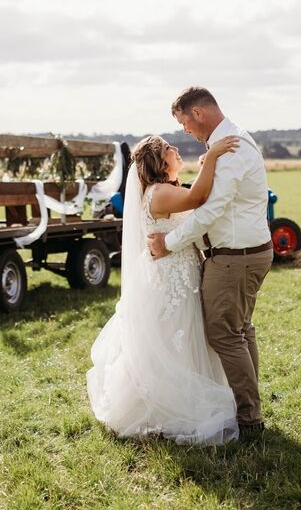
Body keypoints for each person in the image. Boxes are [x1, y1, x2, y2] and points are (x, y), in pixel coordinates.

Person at [87, 133, 241, 445]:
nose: (175, 149)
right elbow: (197, 199)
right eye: (168, 148)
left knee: (182, 334)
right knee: (176, 334)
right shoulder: (158, 193)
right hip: (172, 278)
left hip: (178, 270)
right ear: (159, 161)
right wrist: (210, 158)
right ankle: (167, 407)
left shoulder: (165, 190)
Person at [147, 87, 273, 435]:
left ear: (198, 113)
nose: (184, 131)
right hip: (243, 253)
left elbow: (212, 209)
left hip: (236, 257)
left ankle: (249, 420)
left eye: (183, 122)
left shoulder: (230, 147)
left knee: (225, 335)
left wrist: (169, 243)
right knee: (240, 331)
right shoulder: (228, 143)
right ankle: (248, 409)